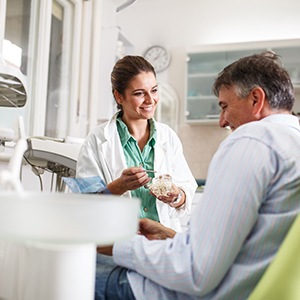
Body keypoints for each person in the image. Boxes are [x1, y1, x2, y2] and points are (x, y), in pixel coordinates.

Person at [94, 51, 300, 300]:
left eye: (224, 106)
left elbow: (195, 271)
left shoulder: (253, 140)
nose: (222, 121)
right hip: (217, 276)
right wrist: (169, 235)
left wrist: (119, 245)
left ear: (256, 99)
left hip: (176, 289)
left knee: (65, 269)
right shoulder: (292, 141)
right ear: (119, 97)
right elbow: (242, 246)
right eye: (139, 93)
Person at [76, 55, 197, 232]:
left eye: (154, 90)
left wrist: (176, 195)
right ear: (119, 97)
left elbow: (187, 189)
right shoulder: (97, 140)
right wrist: (119, 186)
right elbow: (83, 203)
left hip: (162, 245)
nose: (150, 100)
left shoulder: (168, 137)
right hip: (117, 244)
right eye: (139, 93)